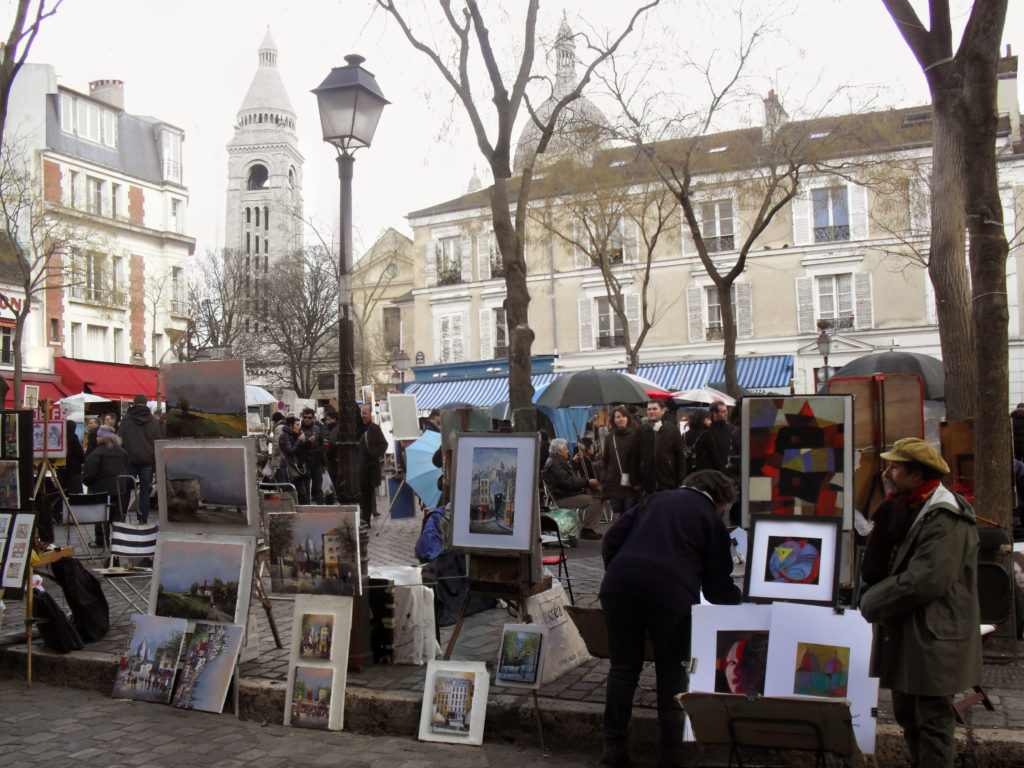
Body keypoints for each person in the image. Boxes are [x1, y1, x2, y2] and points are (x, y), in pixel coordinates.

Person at [599, 470, 741, 767]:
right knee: (671, 671)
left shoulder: (654, 500)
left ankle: (614, 746)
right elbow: (717, 586)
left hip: (619, 587)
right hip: (670, 595)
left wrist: (622, 573)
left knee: (623, 668)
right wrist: (741, 603)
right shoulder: (709, 517)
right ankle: (671, 752)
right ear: (720, 500)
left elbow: (611, 539)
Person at [859, 438, 982, 768]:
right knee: (908, 715)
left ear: (917, 474)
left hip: (934, 636)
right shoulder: (908, 505)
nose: (887, 472)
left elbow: (927, 578)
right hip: (908, 631)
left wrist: (872, 600)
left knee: (932, 722)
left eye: (895, 467)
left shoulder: (946, 516)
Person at [543, 437, 603, 540]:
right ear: (559, 451)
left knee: (599, 496)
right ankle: (586, 529)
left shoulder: (556, 460)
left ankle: (584, 526)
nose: (568, 451)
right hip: (563, 498)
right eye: (566, 449)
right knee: (595, 500)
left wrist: (573, 462)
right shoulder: (554, 464)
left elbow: (565, 476)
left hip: (565, 494)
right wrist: (587, 482)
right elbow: (569, 483)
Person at [83, 425, 130, 548]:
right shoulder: (122, 452)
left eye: (98, 436)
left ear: (101, 438)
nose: (96, 438)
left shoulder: (96, 453)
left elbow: (88, 475)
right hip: (119, 489)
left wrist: (88, 484)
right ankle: (118, 539)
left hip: (101, 490)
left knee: (101, 517)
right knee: (116, 516)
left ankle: (101, 540)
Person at [116, 394, 161, 523]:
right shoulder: (153, 420)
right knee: (145, 491)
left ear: (134, 403)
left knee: (126, 490)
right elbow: (158, 440)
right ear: (146, 403)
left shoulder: (127, 419)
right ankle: (143, 518)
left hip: (129, 460)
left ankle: (123, 516)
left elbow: (119, 439)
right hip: (147, 461)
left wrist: (125, 453)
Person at [630, 400, 684, 495]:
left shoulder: (672, 430)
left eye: (655, 409)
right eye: (649, 409)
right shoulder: (641, 430)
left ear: (663, 411)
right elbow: (634, 456)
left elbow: (680, 456)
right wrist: (634, 480)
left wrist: (681, 480)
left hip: (668, 481)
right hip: (646, 483)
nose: (651, 411)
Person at [601, 406, 637, 517]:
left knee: (629, 514)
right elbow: (605, 460)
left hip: (632, 483)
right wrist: (604, 479)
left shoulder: (635, 436)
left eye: (623, 416)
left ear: (628, 418)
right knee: (619, 515)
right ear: (614, 420)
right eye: (618, 417)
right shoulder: (609, 438)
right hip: (614, 483)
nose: (621, 419)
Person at [357, 403, 387, 526]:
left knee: (367, 494)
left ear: (370, 414)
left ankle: (366, 519)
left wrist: (374, 454)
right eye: (362, 413)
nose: (362, 415)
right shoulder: (357, 428)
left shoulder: (374, 428)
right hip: (357, 467)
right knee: (359, 494)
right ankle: (360, 517)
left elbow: (383, 445)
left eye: (365, 413)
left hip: (369, 467)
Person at [278, 416, 311, 504]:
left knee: (303, 492)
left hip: (298, 467)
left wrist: (307, 442)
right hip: (289, 468)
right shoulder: (284, 437)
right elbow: (290, 451)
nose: (299, 427)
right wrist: (299, 440)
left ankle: (304, 510)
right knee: (290, 492)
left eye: (299, 425)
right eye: (297, 425)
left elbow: (300, 451)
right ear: (290, 425)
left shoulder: (296, 435)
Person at [299, 408, 325, 504]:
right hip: (305, 462)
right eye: (305, 417)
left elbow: (322, 444)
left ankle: (320, 507)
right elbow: (298, 446)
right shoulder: (300, 429)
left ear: (313, 418)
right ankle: (306, 507)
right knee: (305, 488)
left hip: (317, 461)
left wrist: (323, 462)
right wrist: (308, 442)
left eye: (309, 417)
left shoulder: (317, 429)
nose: (307, 419)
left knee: (318, 487)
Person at [683, 408, 711, 474]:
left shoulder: (684, 435)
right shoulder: (706, 434)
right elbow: (714, 455)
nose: (710, 422)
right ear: (703, 420)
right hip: (704, 472)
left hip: (688, 471)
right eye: (708, 419)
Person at [268, 412, 288, 484]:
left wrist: (273, 454)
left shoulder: (279, 428)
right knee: (282, 480)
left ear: (275, 420)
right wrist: (268, 437)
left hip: (280, 460)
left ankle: (285, 494)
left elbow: (277, 444)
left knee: (282, 481)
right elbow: (276, 440)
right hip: (283, 459)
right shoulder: (283, 426)